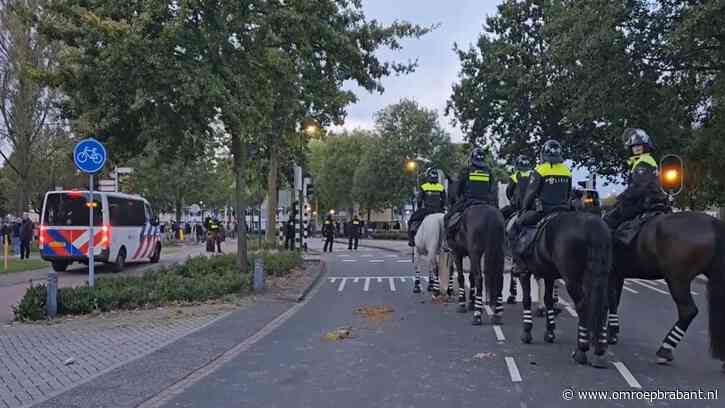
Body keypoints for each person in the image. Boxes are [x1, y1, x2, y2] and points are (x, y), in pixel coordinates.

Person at [512, 139, 572, 256]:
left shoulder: (539, 170)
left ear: (544, 154)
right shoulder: (567, 170)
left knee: (518, 224)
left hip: (544, 211)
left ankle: (520, 261)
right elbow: (569, 193)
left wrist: (524, 209)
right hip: (564, 210)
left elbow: (531, 193)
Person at [603, 128, 670, 230]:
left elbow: (637, 188)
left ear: (645, 146)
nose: (637, 148)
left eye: (639, 145)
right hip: (652, 200)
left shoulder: (643, 161)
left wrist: (618, 199)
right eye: (634, 146)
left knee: (610, 219)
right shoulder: (642, 161)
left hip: (645, 202)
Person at [444, 147, 497, 243]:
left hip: (469, 201)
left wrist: (459, 198)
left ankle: (448, 241)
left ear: (472, 158)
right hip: (486, 202)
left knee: (448, 217)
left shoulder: (466, 170)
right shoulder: (489, 171)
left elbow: (458, 189)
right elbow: (493, 189)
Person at [407, 167, 447, 246]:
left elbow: (419, 200)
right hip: (439, 210)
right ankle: (447, 242)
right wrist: (442, 208)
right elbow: (444, 200)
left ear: (428, 177)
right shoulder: (441, 187)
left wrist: (419, 208)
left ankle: (411, 239)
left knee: (412, 220)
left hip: (427, 210)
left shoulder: (424, 187)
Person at [502, 154, 533, 220]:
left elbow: (508, 193)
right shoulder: (534, 176)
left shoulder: (514, 177)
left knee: (501, 214)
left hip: (517, 207)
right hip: (531, 207)